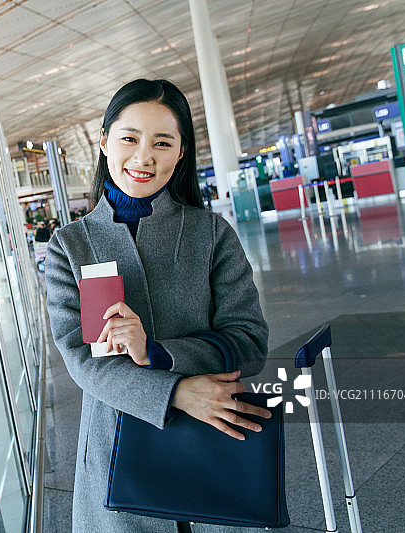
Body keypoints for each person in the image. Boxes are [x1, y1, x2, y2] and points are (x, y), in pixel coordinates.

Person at [45, 79, 270, 533]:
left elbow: (249, 343)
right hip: (116, 456)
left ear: (181, 152)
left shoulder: (210, 234)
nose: (143, 157)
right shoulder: (70, 246)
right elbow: (84, 361)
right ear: (105, 141)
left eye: (162, 142)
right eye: (129, 138)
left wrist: (159, 355)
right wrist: (174, 393)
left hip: (209, 447)